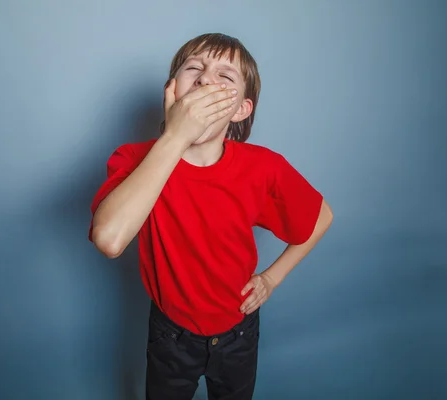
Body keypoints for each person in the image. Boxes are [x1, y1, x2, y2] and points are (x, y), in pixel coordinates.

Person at [89, 32, 333, 400]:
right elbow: (108, 239)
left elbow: (320, 217)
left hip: (239, 335)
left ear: (241, 109)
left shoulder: (263, 168)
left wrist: (271, 279)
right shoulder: (133, 160)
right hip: (170, 335)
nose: (206, 79)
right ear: (172, 91)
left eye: (225, 76)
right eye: (194, 69)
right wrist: (175, 137)